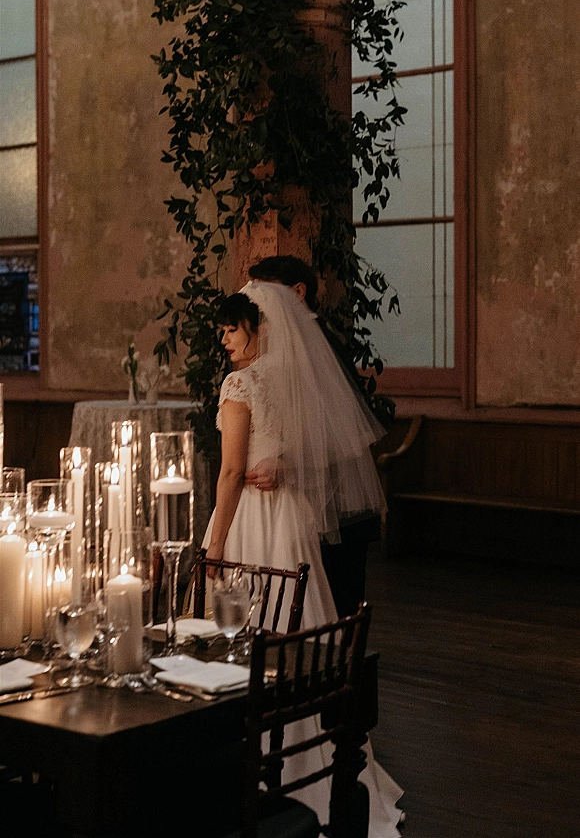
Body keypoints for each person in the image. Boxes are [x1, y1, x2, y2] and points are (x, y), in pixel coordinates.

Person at [201, 281, 404, 837]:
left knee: (251, 633)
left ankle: (253, 761)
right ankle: (307, 754)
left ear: (258, 328)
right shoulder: (292, 382)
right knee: (298, 628)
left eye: (231, 329)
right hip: (289, 518)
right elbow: (304, 452)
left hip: (251, 520)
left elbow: (230, 472)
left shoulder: (240, 384)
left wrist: (216, 542)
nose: (224, 341)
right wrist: (284, 466)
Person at [246, 254, 385, 618]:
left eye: (266, 294)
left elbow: (340, 430)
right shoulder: (282, 345)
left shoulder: (318, 346)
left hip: (337, 499)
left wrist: (287, 462)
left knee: (338, 606)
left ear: (298, 292)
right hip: (306, 501)